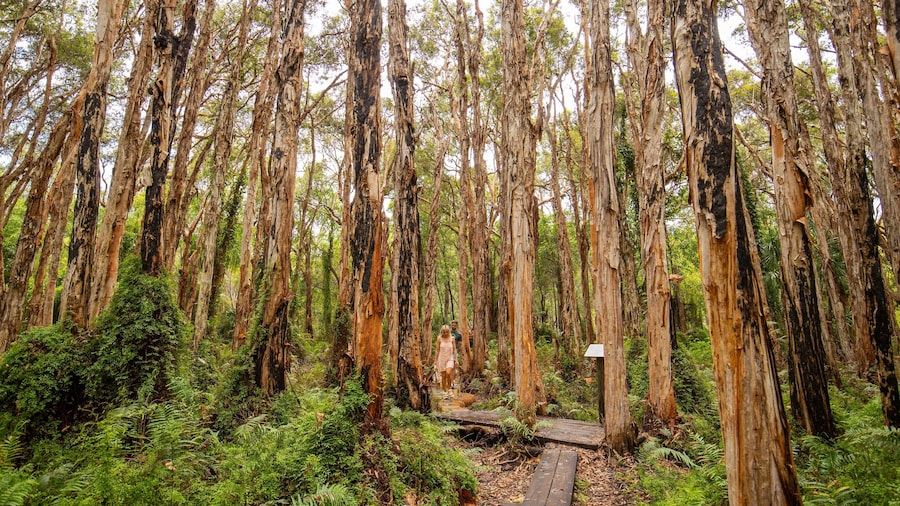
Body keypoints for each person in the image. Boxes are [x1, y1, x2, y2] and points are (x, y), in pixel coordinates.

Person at [433, 325, 457, 396]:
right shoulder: (439, 338)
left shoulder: (452, 339)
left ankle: (449, 389)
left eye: (447, 332)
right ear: (442, 332)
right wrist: (435, 360)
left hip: (450, 358)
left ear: (449, 332)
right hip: (441, 359)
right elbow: (437, 350)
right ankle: (444, 392)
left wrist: (455, 360)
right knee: (443, 376)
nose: (445, 333)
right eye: (444, 332)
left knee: (448, 373)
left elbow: (455, 350)